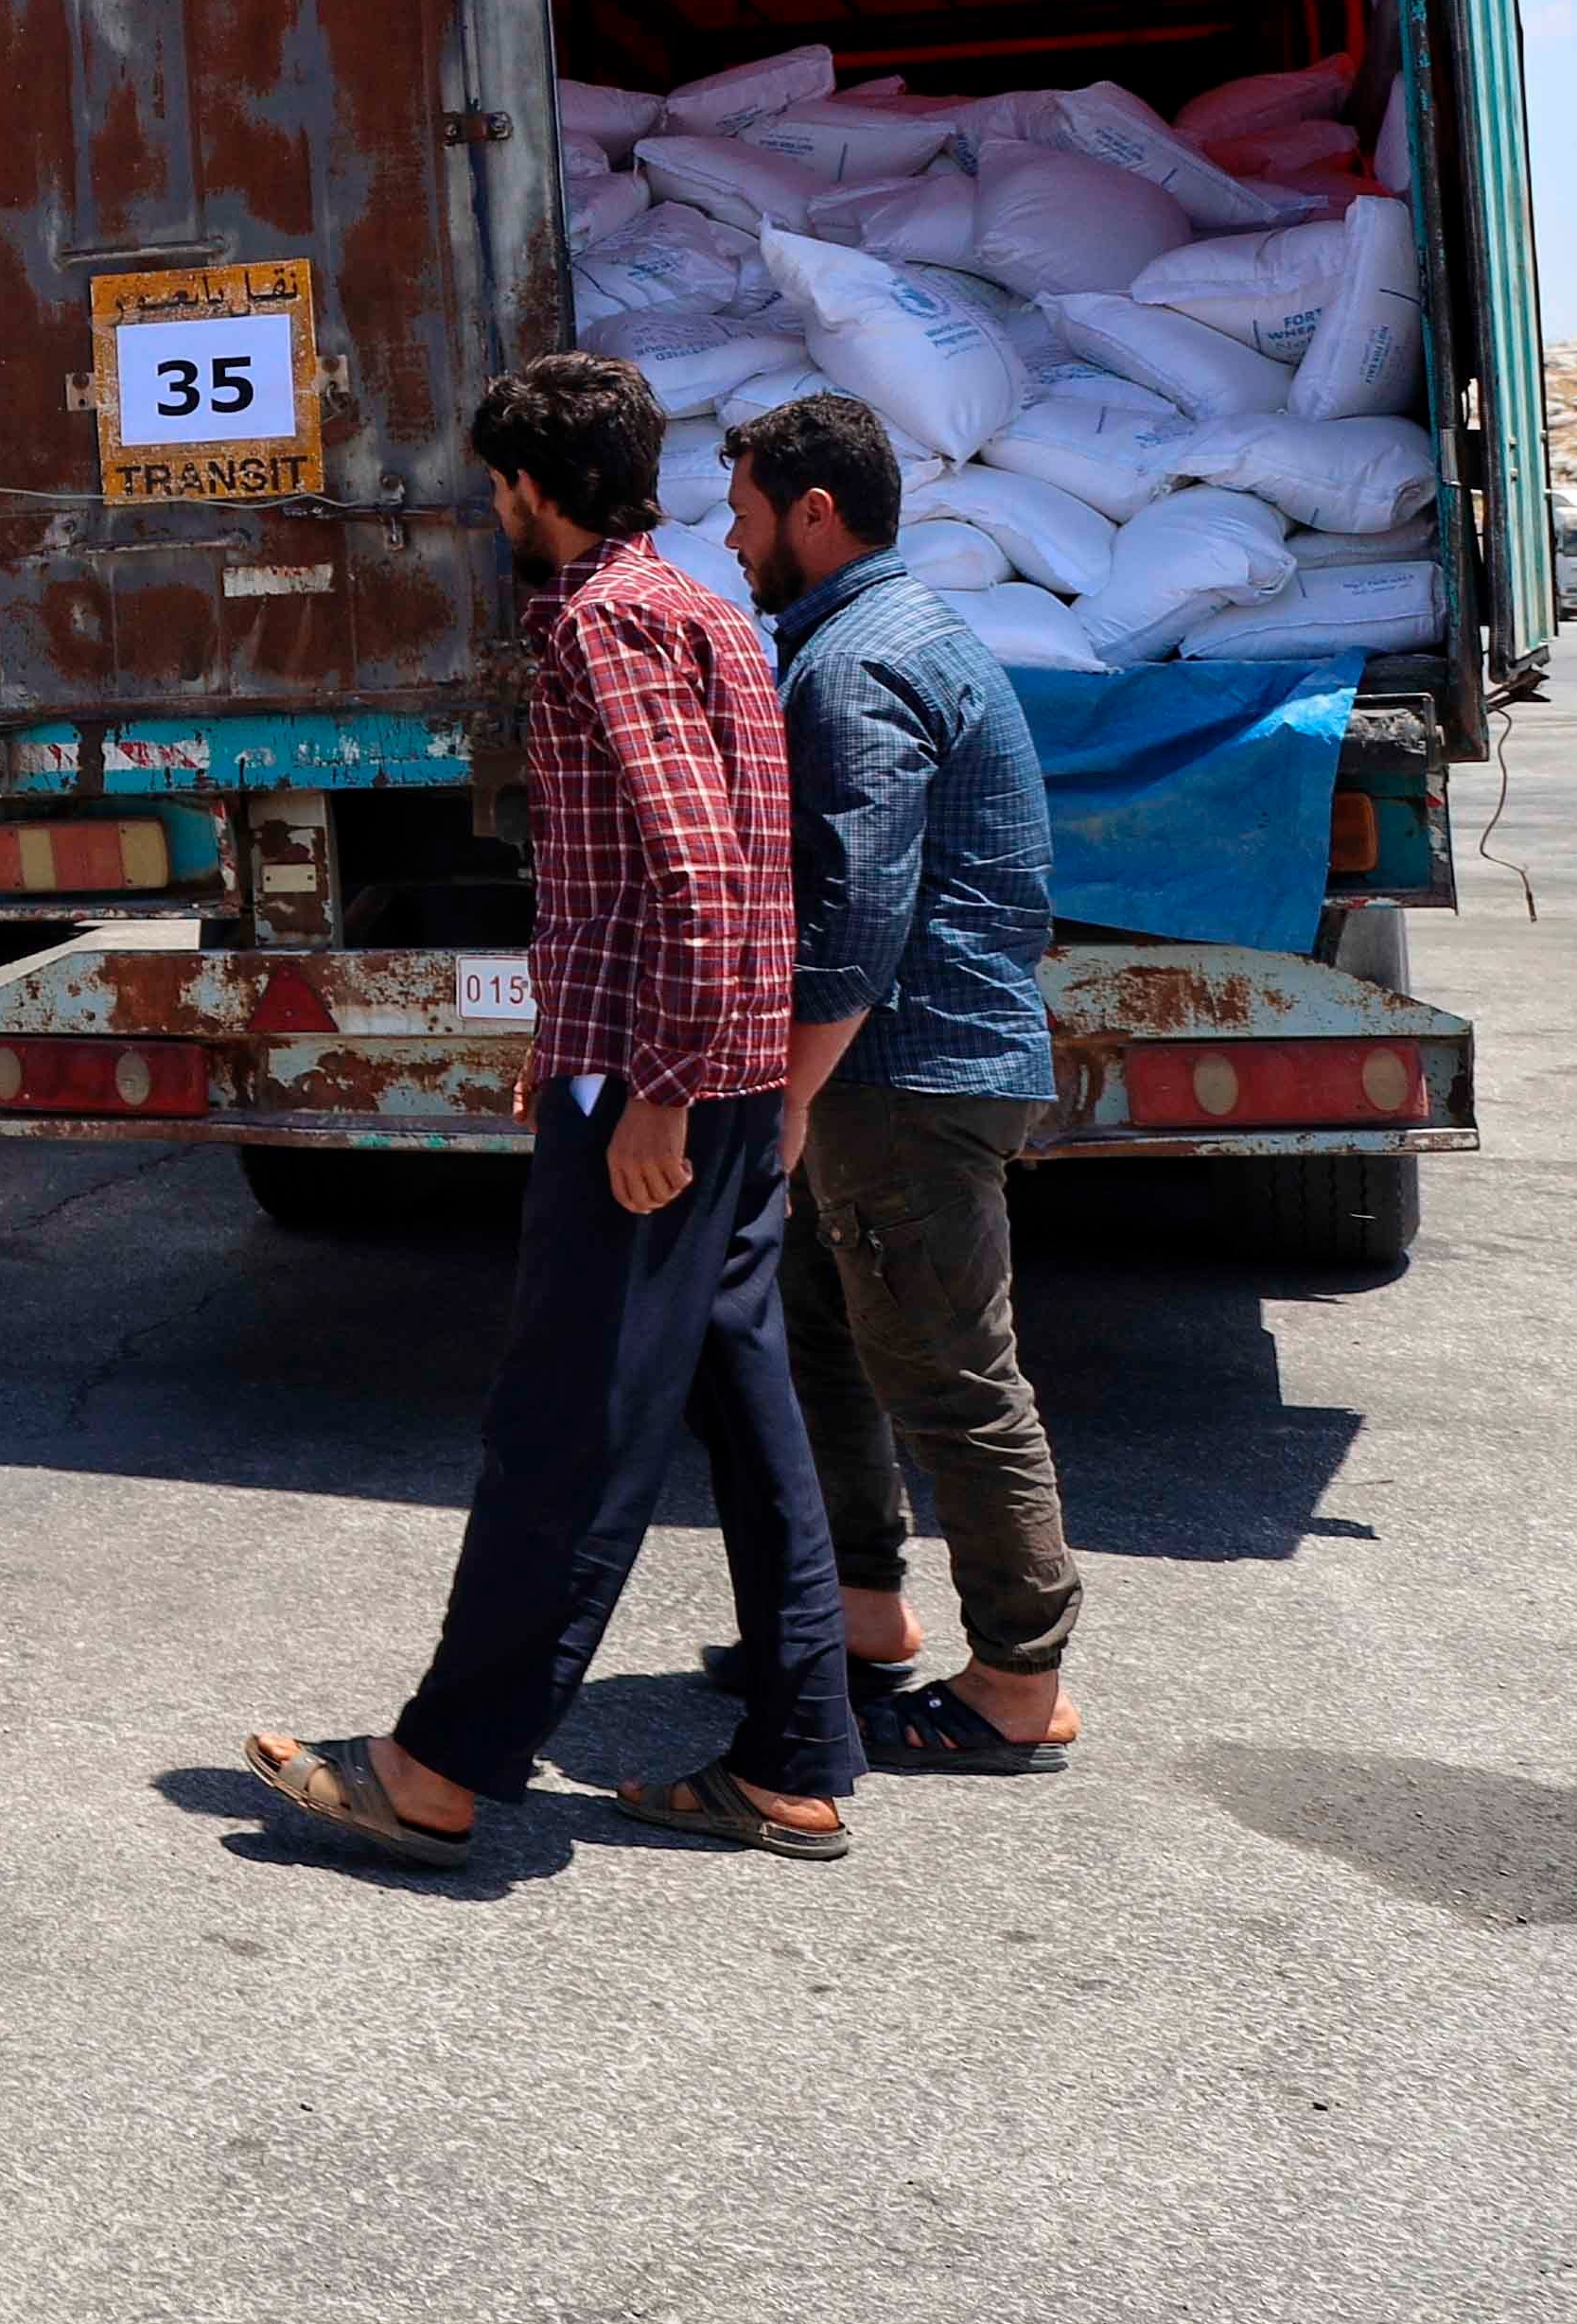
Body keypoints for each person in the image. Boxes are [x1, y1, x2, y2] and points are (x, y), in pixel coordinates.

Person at [244, 351, 860, 1868]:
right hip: (712, 1080)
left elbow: (698, 880)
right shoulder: (712, 608)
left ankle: (442, 1768)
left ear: (532, 487)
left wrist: (652, 1096)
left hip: (651, 1091)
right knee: (745, 1398)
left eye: (497, 486)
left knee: (560, 1428)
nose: (492, 509)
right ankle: (796, 1749)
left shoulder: (608, 626)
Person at [726, 390, 1082, 1775]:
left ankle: (1016, 1684)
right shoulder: (894, 630)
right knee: (834, 1340)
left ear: (817, 514)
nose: (736, 539)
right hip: (913, 1065)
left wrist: (790, 1090)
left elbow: (857, 909)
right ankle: (865, 1615)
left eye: (750, 512)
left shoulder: (854, 664)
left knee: (947, 1374)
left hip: (904, 1073)